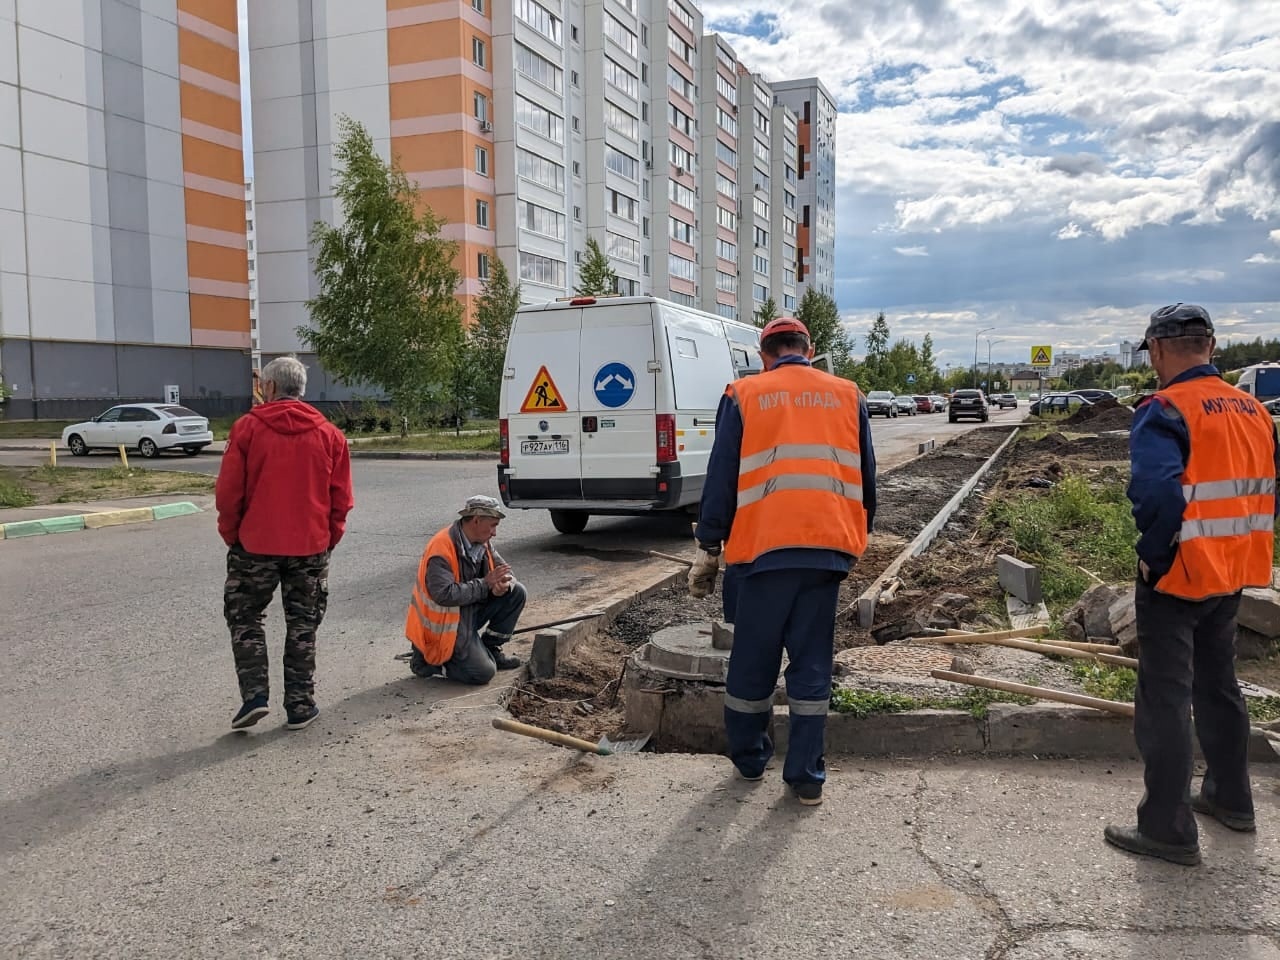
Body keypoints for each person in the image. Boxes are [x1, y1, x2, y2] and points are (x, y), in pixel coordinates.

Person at [1104, 303, 1277, 866]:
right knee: (1220, 686)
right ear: (1212, 345)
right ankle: (1232, 798)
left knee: (1165, 699)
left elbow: (1155, 494)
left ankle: (1167, 828)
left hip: (1179, 574)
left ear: (1156, 349)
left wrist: (1157, 558)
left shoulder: (1165, 408)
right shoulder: (1255, 410)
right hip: (1233, 571)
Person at [690, 316, 877, 806]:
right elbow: (867, 473)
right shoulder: (848, 394)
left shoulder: (744, 394)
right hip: (827, 549)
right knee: (812, 662)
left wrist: (710, 546)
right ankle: (806, 778)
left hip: (762, 551)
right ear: (808, 349)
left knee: (754, 661)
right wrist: (858, 533)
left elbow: (722, 476)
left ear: (762, 353)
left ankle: (751, 760)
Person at [216, 356, 354, 731]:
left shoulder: (247, 430)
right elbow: (341, 499)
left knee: (244, 617)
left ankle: (255, 697)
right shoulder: (330, 435)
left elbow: (229, 493)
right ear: (301, 389)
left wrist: (233, 535)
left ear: (271, 387)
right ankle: (300, 705)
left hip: (254, 545)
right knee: (303, 624)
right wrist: (328, 540)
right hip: (310, 546)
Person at [404, 495, 527, 685]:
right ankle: (426, 663)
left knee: (517, 592)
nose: (494, 532)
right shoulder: (441, 548)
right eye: (493, 525)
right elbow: (444, 594)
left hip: (466, 612)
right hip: (444, 624)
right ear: (476, 520)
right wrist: (486, 585)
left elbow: (504, 572)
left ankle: (490, 648)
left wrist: (503, 585)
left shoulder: (482, 542)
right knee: (483, 673)